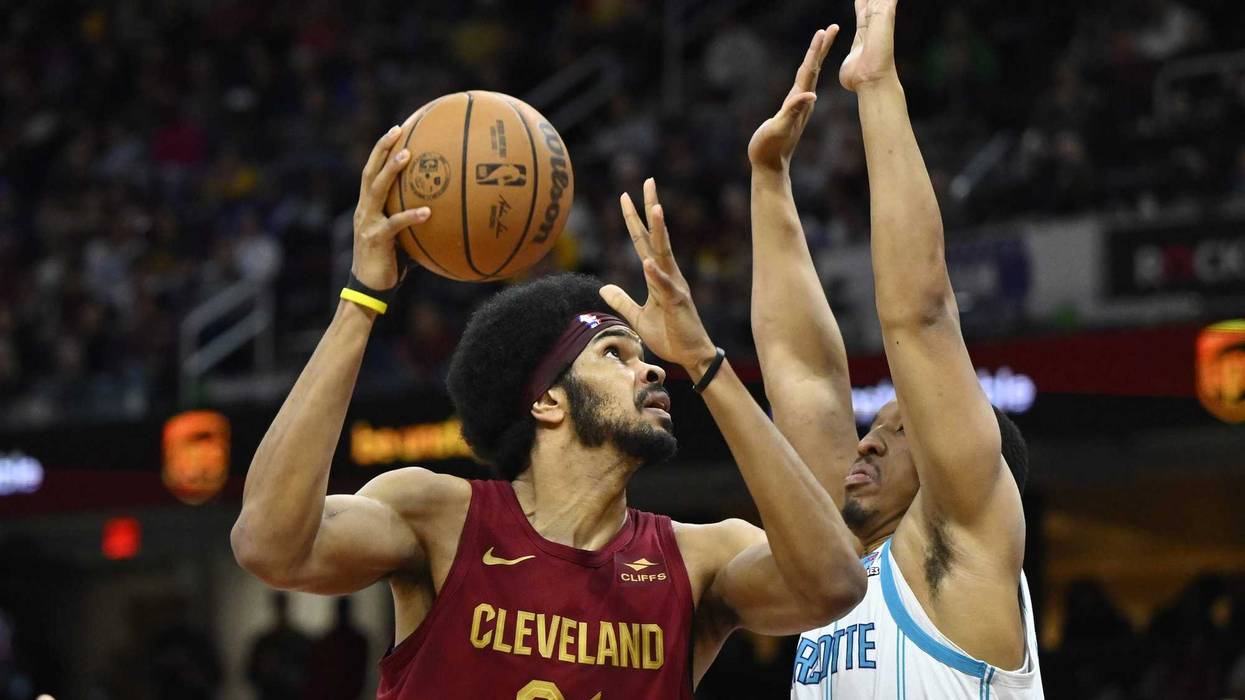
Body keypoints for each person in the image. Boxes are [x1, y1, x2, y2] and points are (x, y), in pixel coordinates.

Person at [231, 113, 865, 697]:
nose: (649, 366)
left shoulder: (700, 558)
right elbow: (269, 544)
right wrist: (362, 296)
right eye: (614, 354)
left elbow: (834, 585)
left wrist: (704, 362)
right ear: (549, 403)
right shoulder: (438, 518)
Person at [744, 5, 1044, 697]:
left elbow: (923, 314)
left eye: (897, 429)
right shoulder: (840, 561)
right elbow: (800, 375)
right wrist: (768, 180)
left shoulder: (964, 547)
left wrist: (876, 84)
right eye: (873, 430)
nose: (867, 445)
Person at [245, 593, 311, 700]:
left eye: (281, 605)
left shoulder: (299, 641)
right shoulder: (264, 642)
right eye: (280, 605)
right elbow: (251, 673)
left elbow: (311, 671)